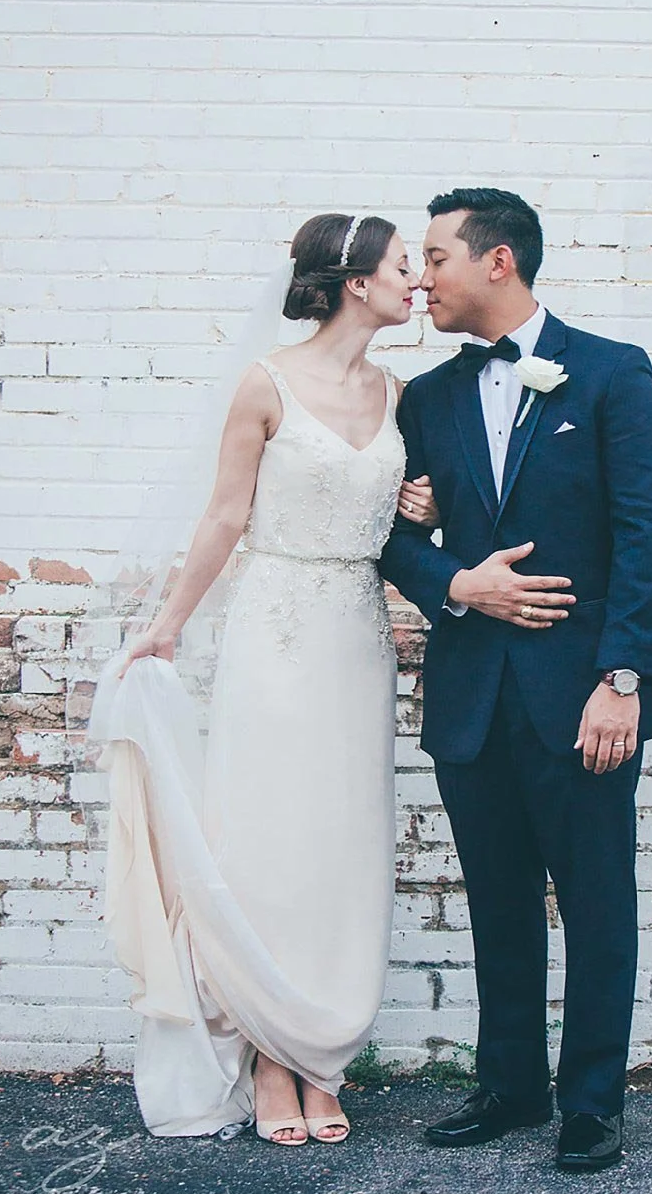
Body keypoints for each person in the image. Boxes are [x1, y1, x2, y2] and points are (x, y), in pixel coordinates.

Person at [99, 213, 434, 1142]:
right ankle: (267, 1058)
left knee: (341, 849)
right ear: (356, 282)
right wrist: (166, 627)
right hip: (274, 638)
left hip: (356, 642)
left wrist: (429, 503)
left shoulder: (399, 392)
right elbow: (221, 521)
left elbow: (407, 528)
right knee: (271, 847)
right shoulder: (267, 382)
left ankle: (318, 1055)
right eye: (405, 266)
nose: (417, 282)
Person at [379, 188, 652, 1174]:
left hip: (584, 696)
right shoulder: (423, 400)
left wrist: (623, 677)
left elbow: (647, 537)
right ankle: (510, 1087)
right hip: (472, 697)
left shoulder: (608, 375)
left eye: (434, 256)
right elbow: (389, 536)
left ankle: (591, 1103)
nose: (420, 277)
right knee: (497, 903)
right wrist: (454, 583)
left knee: (595, 905)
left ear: (497, 261)